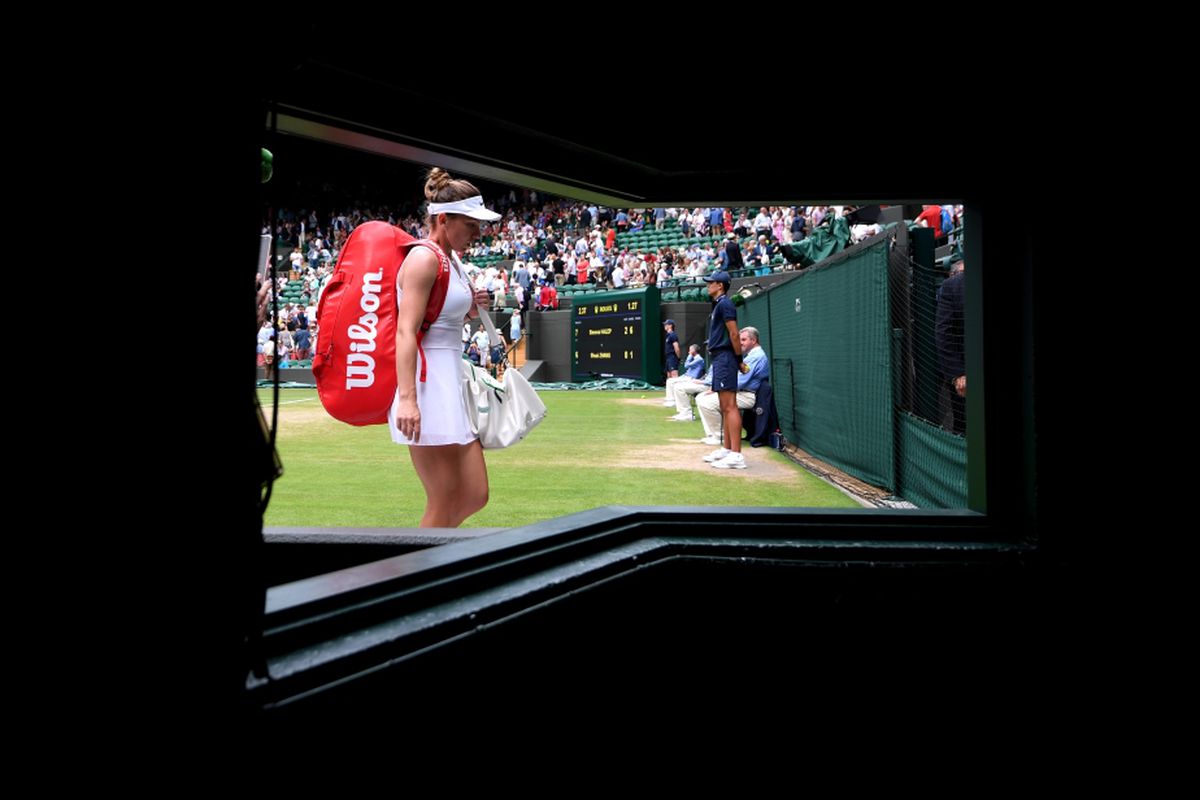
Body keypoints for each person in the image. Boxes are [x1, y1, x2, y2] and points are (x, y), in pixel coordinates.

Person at [390, 168, 499, 527]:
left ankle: (429, 561)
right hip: (426, 386)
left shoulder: (449, 259)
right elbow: (406, 332)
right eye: (471, 224)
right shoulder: (425, 258)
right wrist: (407, 398)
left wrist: (469, 307)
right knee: (446, 497)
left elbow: (438, 320)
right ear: (443, 219)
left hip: (446, 382)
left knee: (474, 494)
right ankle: (420, 571)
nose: (477, 233)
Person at [698, 270, 749, 469]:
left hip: (726, 358)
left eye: (711, 282)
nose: (707, 285)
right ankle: (728, 450)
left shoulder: (726, 304)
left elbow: (734, 334)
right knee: (724, 407)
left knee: (730, 406)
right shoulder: (719, 304)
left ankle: (737, 456)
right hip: (721, 358)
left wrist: (738, 360)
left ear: (720, 285)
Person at [696, 327, 769, 457]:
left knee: (707, 401)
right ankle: (716, 436)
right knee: (702, 398)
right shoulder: (751, 355)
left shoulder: (756, 356)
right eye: (740, 339)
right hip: (740, 392)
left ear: (754, 340)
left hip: (747, 395)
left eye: (744, 339)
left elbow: (741, 381)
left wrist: (719, 388)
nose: (740, 342)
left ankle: (719, 437)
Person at [935, 258, 966, 435]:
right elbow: (944, 334)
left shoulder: (951, 286)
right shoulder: (951, 287)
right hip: (963, 374)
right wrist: (957, 375)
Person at [661, 319, 682, 407]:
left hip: (672, 357)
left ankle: (676, 399)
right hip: (668, 358)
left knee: (674, 376)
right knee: (669, 376)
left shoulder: (673, 335)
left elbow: (676, 348)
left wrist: (678, 357)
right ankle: (670, 397)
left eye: (666, 324)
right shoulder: (668, 336)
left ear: (670, 326)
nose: (665, 326)